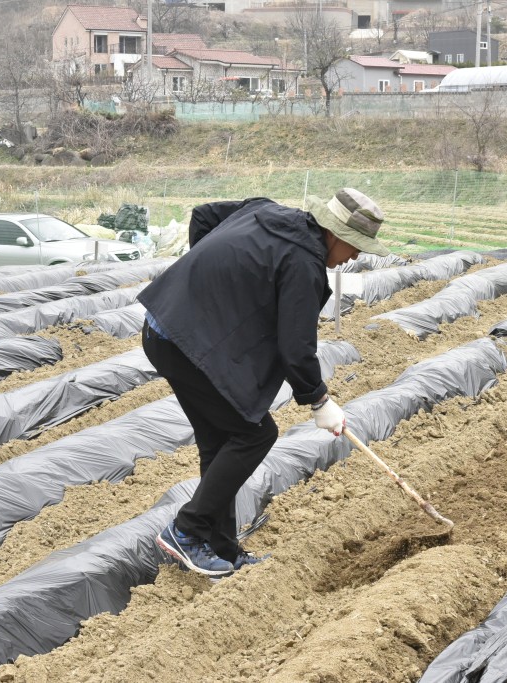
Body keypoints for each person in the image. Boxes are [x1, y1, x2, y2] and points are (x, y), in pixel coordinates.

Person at [138, 188, 391, 578]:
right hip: (184, 343)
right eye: (355, 246)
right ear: (335, 234)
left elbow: (203, 215)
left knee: (221, 441)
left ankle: (220, 548)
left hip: (165, 328)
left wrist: (210, 287)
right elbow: (296, 349)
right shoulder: (304, 264)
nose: (355, 256)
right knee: (254, 434)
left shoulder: (265, 211)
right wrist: (321, 402)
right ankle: (186, 531)